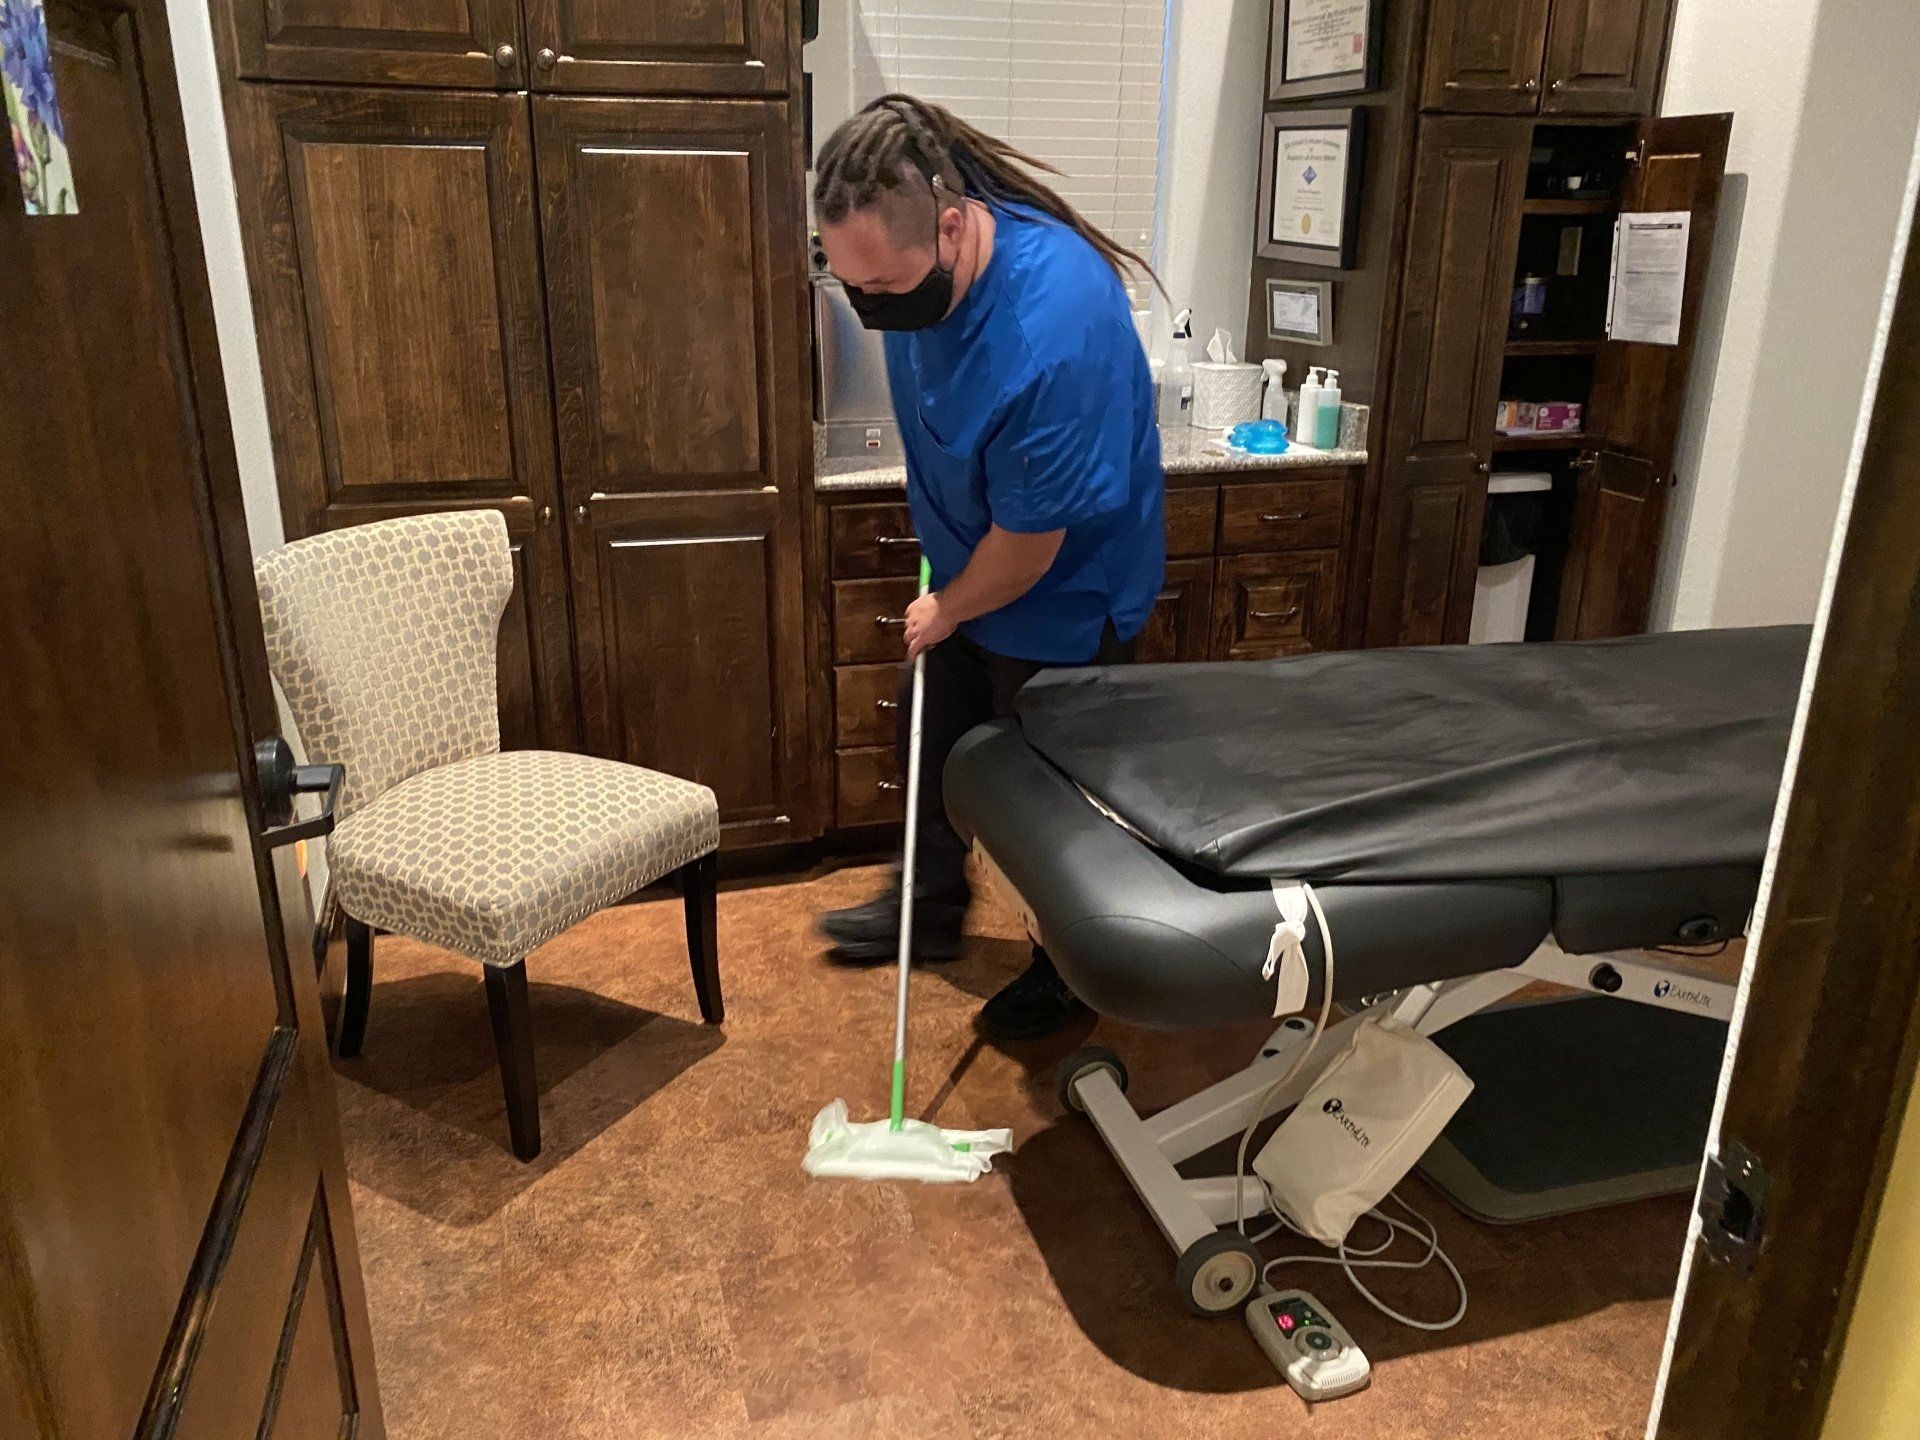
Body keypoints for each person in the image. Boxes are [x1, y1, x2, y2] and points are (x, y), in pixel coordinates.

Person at [810, 94, 1165, 1042]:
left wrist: (948, 608)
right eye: (849, 281)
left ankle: (1069, 973)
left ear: (954, 228)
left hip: (1059, 595)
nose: (870, 304)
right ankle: (924, 912)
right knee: (927, 742)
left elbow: (1031, 548)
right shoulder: (911, 265)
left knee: (1055, 808)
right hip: (974, 567)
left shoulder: (1055, 331)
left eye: (883, 283)